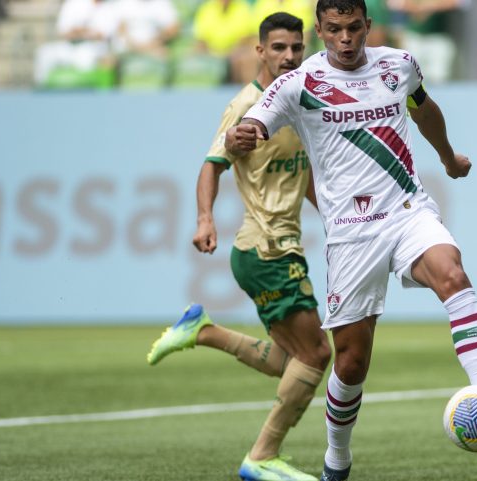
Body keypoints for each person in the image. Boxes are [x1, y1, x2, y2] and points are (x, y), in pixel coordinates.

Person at [225, 1, 477, 479]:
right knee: (351, 363)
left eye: (354, 28)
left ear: (368, 26)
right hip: (352, 236)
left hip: (406, 211)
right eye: (334, 30)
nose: (346, 39)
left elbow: (425, 109)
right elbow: (251, 125)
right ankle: (337, 460)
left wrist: (449, 158)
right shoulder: (297, 85)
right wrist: (239, 137)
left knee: (452, 273)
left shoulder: (399, 65)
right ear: (320, 31)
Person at [146, 12, 331, 481]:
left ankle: (203, 331)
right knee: (317, 355)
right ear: (260, 51)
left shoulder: (300, 103)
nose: (289, 56)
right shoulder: (247, 107)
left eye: (296, 47)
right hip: (265, 248)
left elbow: (303, 173)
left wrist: (333, 216)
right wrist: (205, 218)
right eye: (280, 48)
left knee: (292, 362)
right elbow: (213, 164)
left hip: (278, 247)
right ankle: (262, 456)